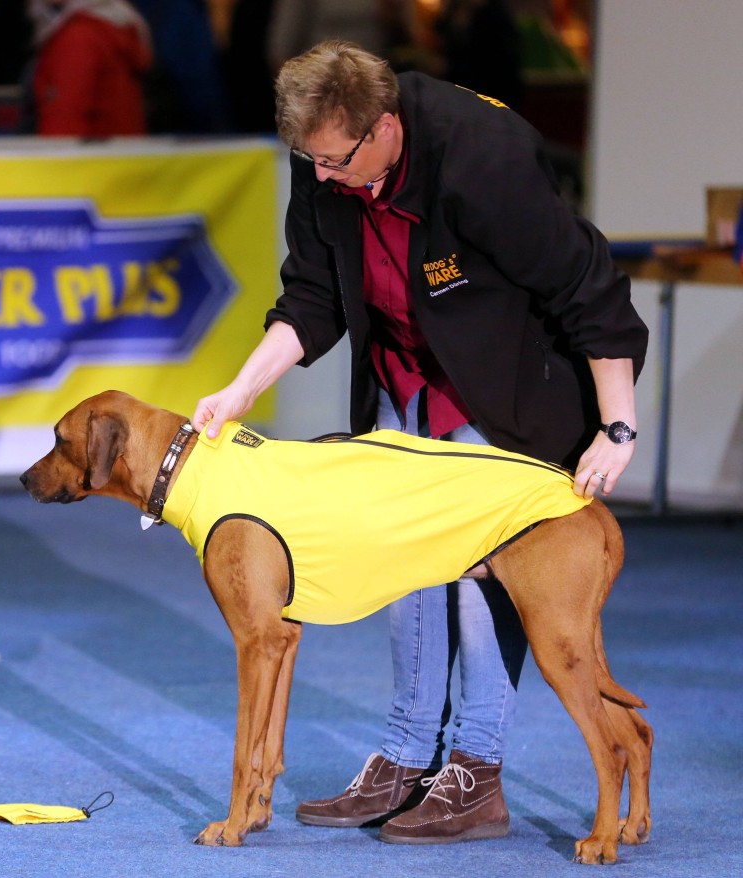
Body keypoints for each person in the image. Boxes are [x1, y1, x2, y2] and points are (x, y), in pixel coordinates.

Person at [192, 40, 648, 845]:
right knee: (397, 554)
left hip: (503, 382)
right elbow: (313, 295)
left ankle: (475, 771)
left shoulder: (483, 156)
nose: (322, 178)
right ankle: (406, 758)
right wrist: (240, 390)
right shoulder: (325, 155)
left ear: (382, 127)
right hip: (404, 375)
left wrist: (617, 423)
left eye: (335, 162)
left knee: (479, 578)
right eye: (311, 162)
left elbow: (587, 283)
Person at [26, 0, 152, 137]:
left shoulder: (78, 38)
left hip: (89, 154)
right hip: (118, 153)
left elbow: (63, 127)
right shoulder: (111, 25)